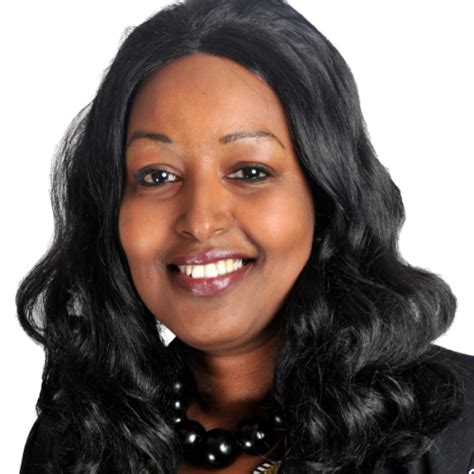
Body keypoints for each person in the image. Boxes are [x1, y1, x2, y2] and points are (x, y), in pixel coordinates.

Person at [17, 0, 474, 473]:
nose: (200, 221)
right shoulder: (75, 441)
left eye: (250, 171)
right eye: (157, 176)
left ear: (324, 194)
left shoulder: (458, 427)